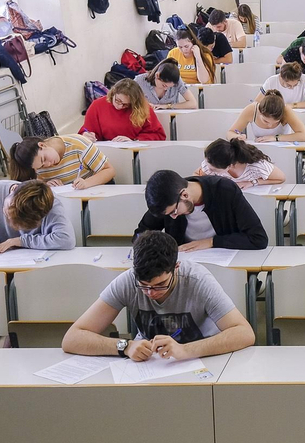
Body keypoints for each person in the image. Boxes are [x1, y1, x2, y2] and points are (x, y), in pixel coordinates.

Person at [62, 229, 255, 358]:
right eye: (144, 285)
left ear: (176, 267)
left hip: (201, 357)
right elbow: (72, 339)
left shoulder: (198, 280)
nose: (150, 293)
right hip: (150, 363)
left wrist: (185, 350)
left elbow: (244, 333)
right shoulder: (129, 280)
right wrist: (125, 346)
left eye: (160, 285)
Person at [136, 169, 269, 250]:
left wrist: (212, 242)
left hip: (223, 263)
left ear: (184, 195)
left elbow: (258, 238)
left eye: (174, 212)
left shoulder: (225, 190)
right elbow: (141, 234)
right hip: (185, 267)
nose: (173, 217)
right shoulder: (166, 198)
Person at [0, 178, 75, 253]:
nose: (7, 218)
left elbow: (67, 239)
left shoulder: (49, 205)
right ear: (14, 189)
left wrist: (20, 241)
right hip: (2, 258)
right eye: (7, 210)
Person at [10, 134, 116, 190]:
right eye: (41, 166)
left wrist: (86, 183)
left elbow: (109, 170)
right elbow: (38, 181)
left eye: (44, 159)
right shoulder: (37, 165)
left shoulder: (79, 145)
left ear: (42, 145)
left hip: (94, 191)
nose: (47, 165)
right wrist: (46, 185)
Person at [82, 78, 167, 142]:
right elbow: (87, 130)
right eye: (117, 100)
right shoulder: (97, 105)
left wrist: (135, 141)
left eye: (125, 105)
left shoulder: (143, 108)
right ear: (113, 93)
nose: (119, 106)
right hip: (104, 152)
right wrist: (86, 136)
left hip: (134, 152)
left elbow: (158, 134)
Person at [199, 137, 286, 190]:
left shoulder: (256, 166)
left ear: (230, 166)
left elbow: (281, 178)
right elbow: (198, 176)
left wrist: (253, 182)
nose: (207, 169)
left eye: (213, 169)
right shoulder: (211, 162)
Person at [228, 91, 305, 142]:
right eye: (265, 121)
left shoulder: (286, 111)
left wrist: (275, 138)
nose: (270, 125)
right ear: (259, 111)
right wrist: (236, 137)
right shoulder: (251, 109)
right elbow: (230, 132)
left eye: (276, 122)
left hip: (283, 151)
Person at [135, 59, 200, 109]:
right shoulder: (139, 81)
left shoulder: (177, 81)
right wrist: (144, 105)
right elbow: (128, 102)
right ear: (157, 75)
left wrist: (168, 106)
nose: (166, 89)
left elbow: (193, 103)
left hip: (170, 119)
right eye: (164, 85)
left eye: (170, 87)